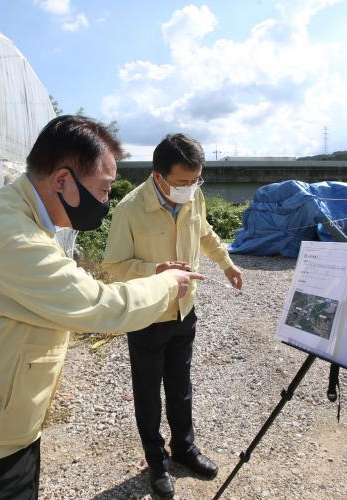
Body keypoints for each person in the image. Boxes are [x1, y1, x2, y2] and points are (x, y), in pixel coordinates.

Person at [0, 115, 203, 500]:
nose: (105, 201)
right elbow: (99, 306)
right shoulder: (13, 237)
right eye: (103, 189)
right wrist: (166, 284)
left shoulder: (8, 210)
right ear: (63, 181)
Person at [103, 133, 243, 498]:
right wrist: (156, 270)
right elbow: (114, 264)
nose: (190, 188)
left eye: (195, 180)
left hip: (184, 310)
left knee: (180, 387)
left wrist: (226, 263)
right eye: (182, 182)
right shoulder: (130, 209)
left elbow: (205, 232)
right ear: (158, 175)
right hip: (148, 315)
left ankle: (184, 448)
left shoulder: (193, 196)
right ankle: (157, 461)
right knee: (149, 393)